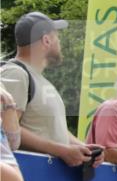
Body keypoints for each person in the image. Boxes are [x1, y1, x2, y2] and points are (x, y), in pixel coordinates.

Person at [1, 12, 104, 168]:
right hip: (29, 176)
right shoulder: (15, 73)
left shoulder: (38, 79)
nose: (59, 41)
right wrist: (60, 150)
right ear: (46, 40)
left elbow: (51, 129)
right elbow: (6, 129)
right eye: (57, 36)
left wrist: (82, 147)